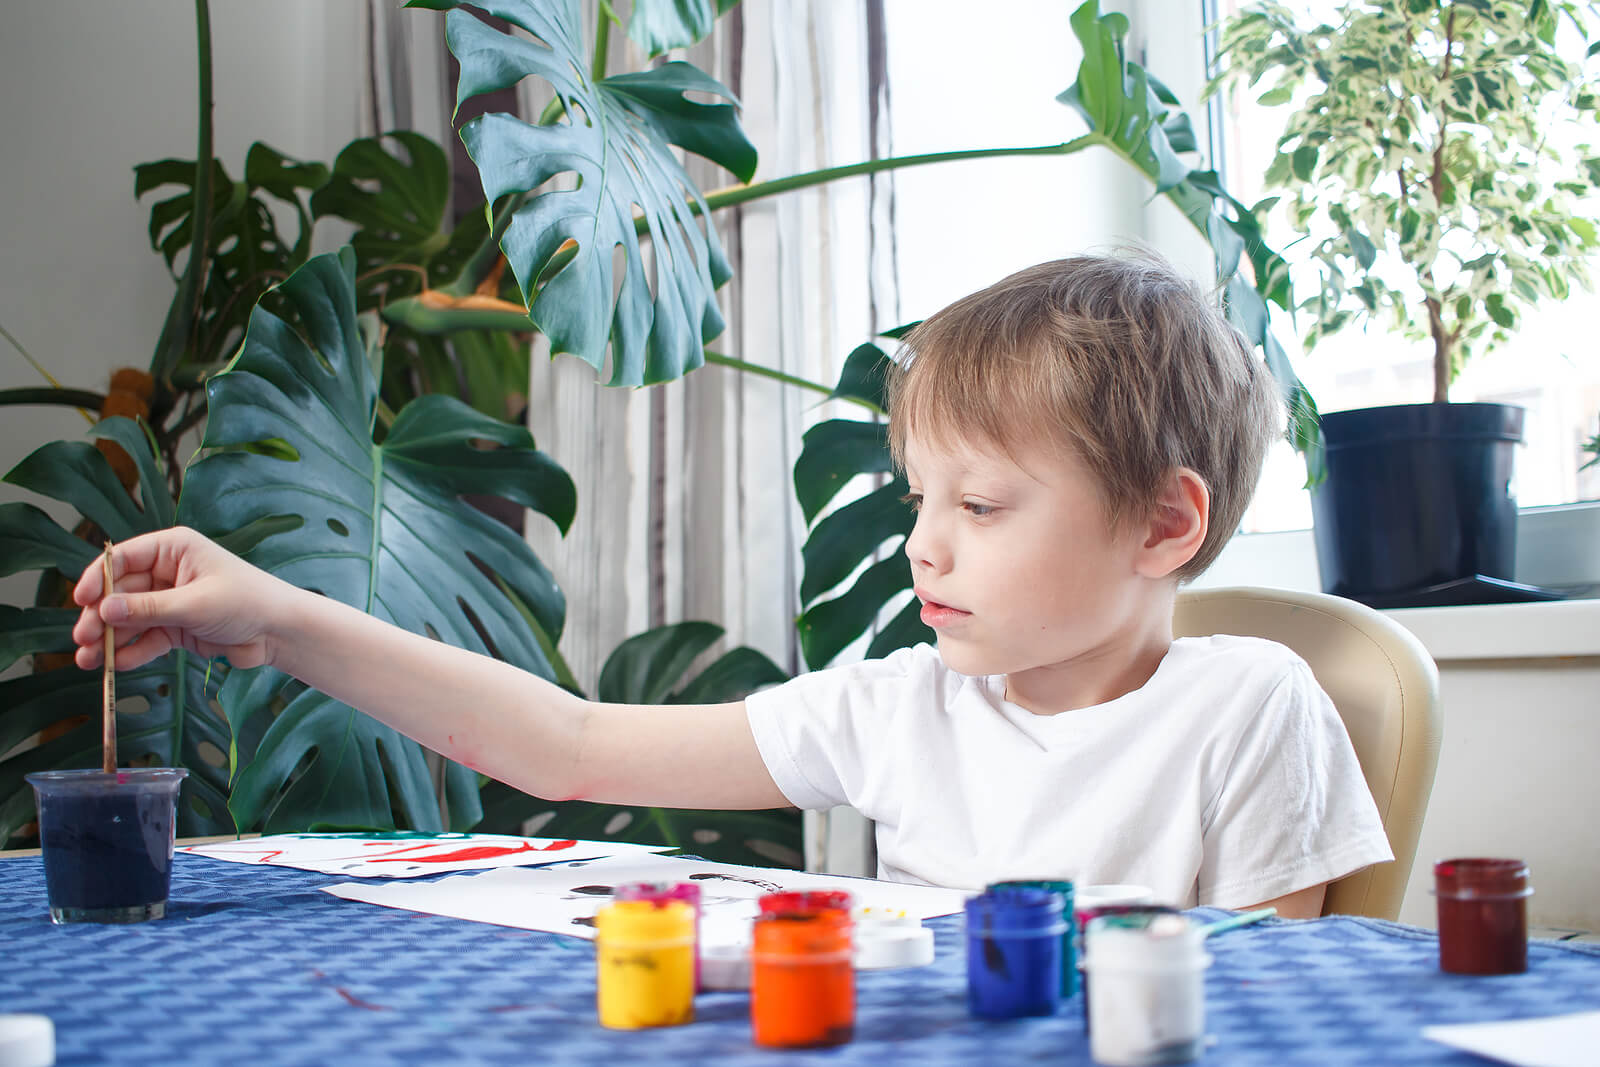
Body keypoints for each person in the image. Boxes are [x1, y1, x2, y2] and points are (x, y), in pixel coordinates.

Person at [70, 251, 1390, 918]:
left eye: (981, 506)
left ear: (1164, 524)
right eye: (918, 500)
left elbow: (1275, 1010)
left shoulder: (1249, 711)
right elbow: (568, 745)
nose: (926, 547)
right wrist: (277, 618)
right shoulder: (902, 709)